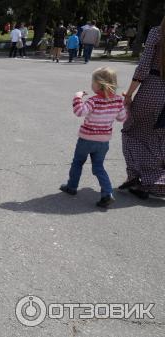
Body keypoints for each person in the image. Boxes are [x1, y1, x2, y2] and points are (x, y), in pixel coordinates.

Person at [59, 67, 127, 208]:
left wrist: (77, 97)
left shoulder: (93, 101)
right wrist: (126, 104)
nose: (91, 84)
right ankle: (107, 193)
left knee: (78, 162)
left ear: (99, 84)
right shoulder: (118, 101)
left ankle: (72, 187)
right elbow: (122, 118)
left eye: (93, 82)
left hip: (86, 139)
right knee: (98, 167)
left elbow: (79, 112)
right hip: (103, 142)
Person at [120, 18, 165, 199]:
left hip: (152, 90)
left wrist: (129, 94)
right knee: (159, 136)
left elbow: (143, 66)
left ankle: (148, 179)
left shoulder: (158, 32)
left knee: (131, 131)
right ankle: (145, 179)